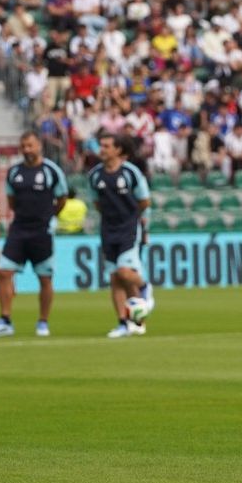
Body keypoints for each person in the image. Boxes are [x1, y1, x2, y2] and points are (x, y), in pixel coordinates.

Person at [0, 131, 68, 338]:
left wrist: (49, 217)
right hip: (19, 229)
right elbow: (11, 201)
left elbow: (62, 198)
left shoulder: (52, 171)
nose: (27, 150)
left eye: (30, 145)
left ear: (39, 145)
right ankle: (5, 320)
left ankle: (43, 322)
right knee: (4, 271)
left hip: (42, 232)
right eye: (24, 146)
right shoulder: (14, 172)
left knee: (45, 278)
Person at [89, 132, 153, 339]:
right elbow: (97, 204)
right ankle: (126, 322)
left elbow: (144, 201)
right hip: (108, 229)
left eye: (107, 146)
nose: (103, 150)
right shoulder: (95, 175)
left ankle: (145, 287)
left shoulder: (131, 173)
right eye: (101, 145)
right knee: (116, 278)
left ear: (118, 149)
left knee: (126, 272)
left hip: (129, 228)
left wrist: (134, 220)